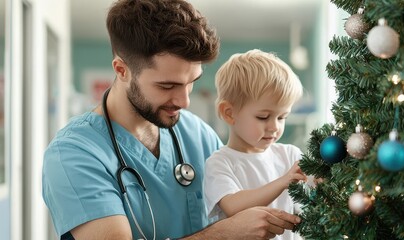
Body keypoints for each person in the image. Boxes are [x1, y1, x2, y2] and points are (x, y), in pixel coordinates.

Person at [42, 1, 300, 239]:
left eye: (191, 83)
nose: (184, 102)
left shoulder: (197, 133)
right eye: (167, 86)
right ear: (122, 70)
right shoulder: (74, 154)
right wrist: (223, 234)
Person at [204, 49, 307, 240]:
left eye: (282, 117)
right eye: (263, 117)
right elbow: (233, 207)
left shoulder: (290, 155)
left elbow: (316, 186)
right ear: (229, 113)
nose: (274, 127)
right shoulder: (220, 163)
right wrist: (283, 181)